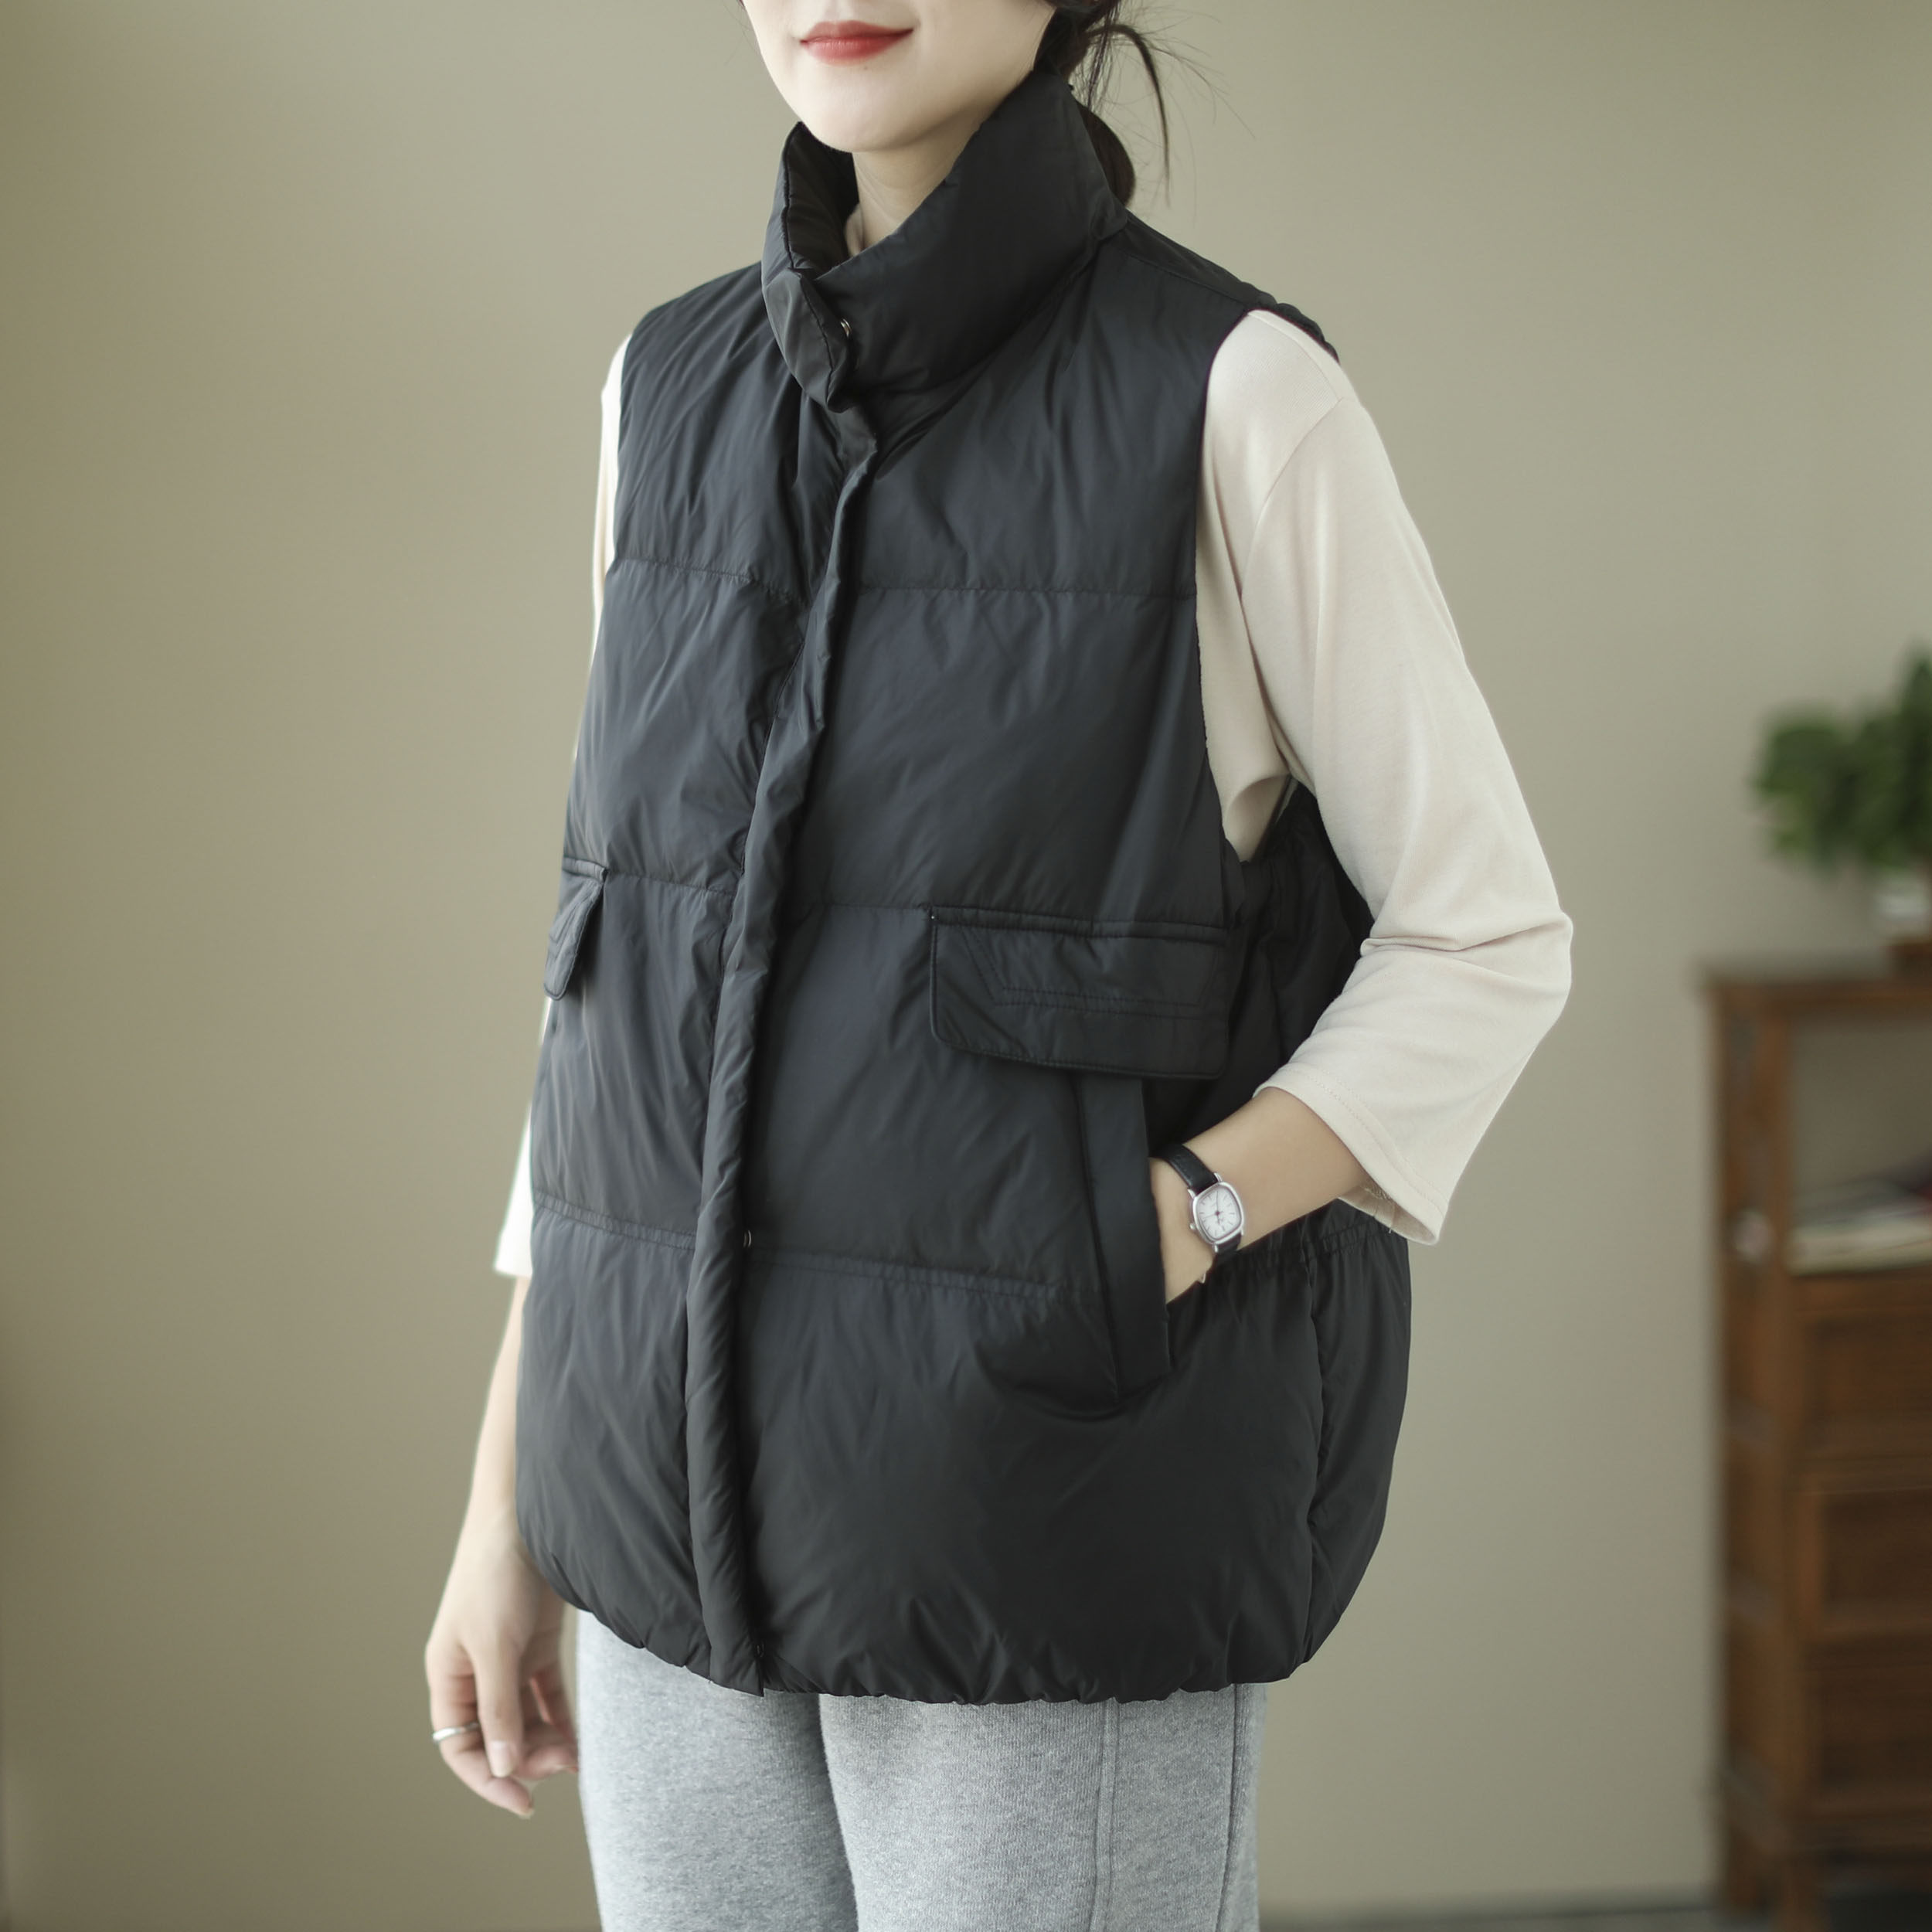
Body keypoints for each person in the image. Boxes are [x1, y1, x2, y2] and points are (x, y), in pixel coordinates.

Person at [425, 4, 1573, 1927]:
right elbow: (615, 998)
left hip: (1037, 1523)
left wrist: (1174, 1221)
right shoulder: (661, 390)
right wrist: (506, 1505)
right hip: (649, 1544)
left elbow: (1485, 932)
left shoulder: (1229, 393)